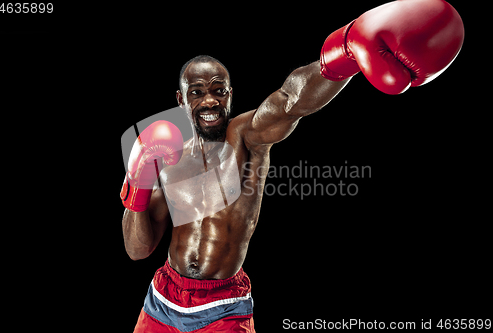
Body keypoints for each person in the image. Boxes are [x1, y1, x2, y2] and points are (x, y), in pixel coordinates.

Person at [120, 1, 464, 331]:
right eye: (196, 92)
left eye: (218, 90)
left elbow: (289, 102)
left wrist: (346, 52)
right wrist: (137, 185)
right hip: (163, 300)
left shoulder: (246, 137)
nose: (209, 100)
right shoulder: (167, 159)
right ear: (180, 99)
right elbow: (139, 250)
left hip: (221, 309)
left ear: (230, 94)